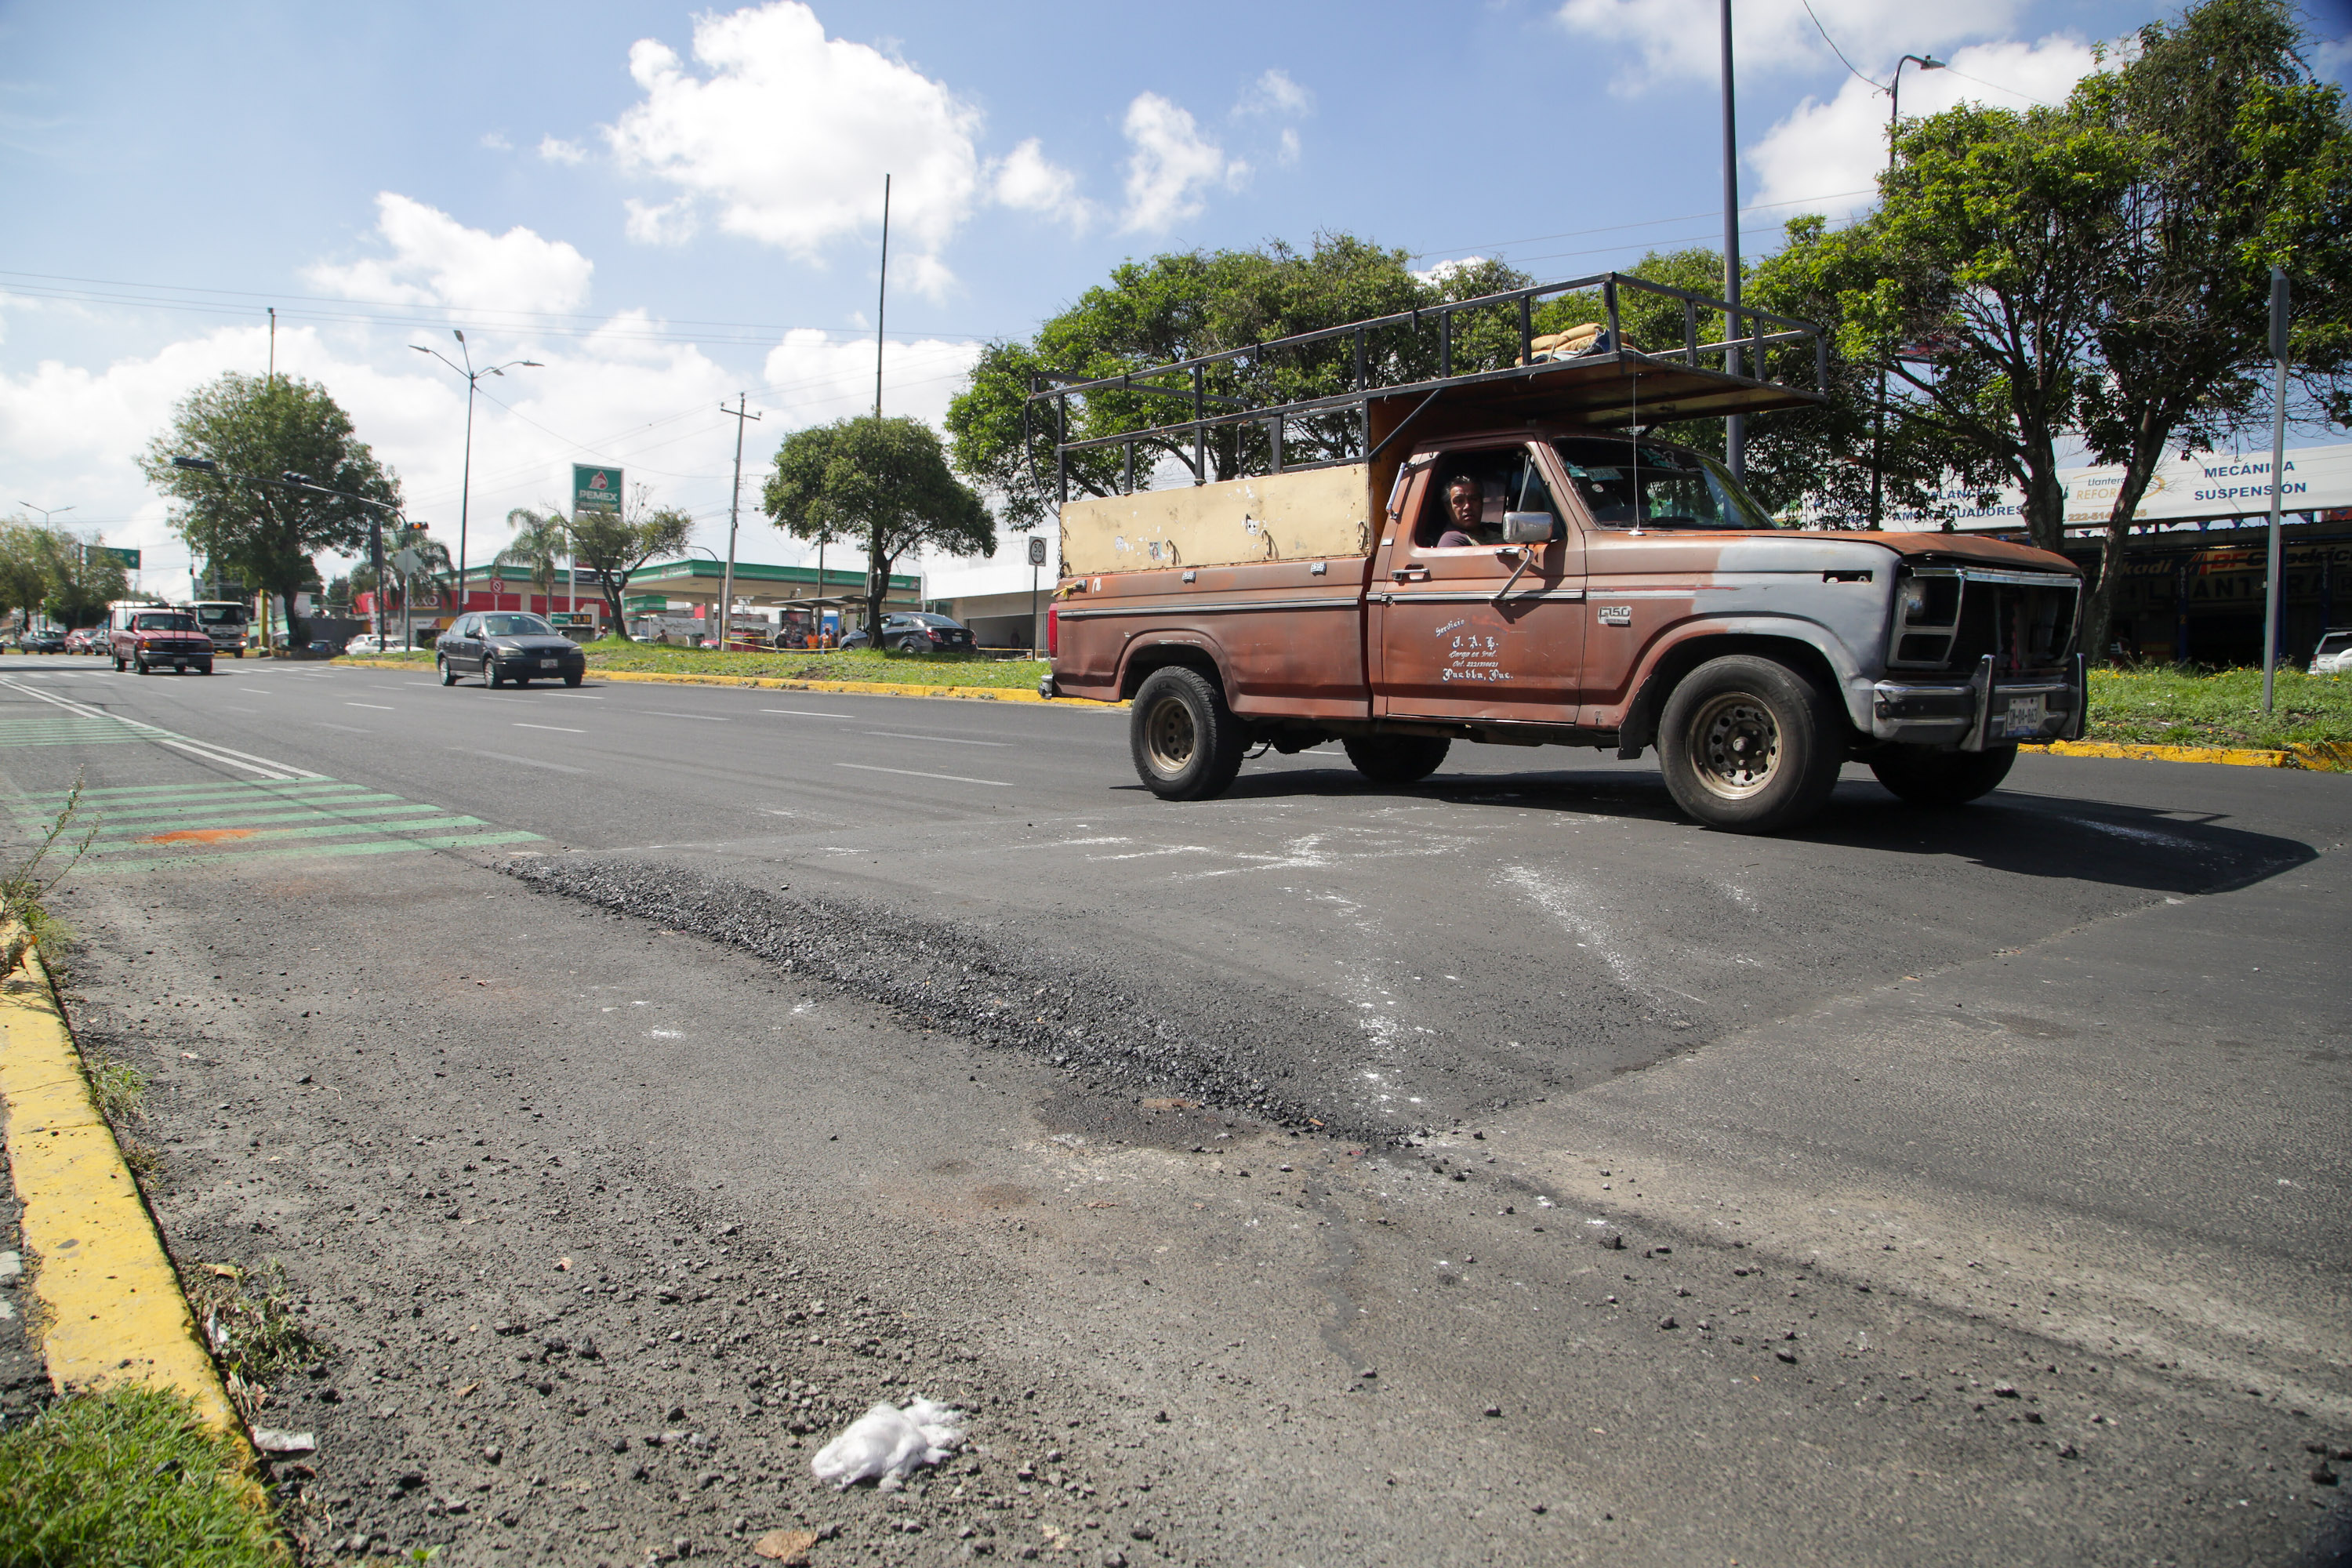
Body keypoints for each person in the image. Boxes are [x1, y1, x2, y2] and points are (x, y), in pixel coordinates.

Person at [1435, 474, 1485, 547]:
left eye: (1474, 499)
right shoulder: (1451, 540)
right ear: (1448, 507)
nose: (1468, 507)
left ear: (1481, 503)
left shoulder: (1496, 530)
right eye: (1459, 501)